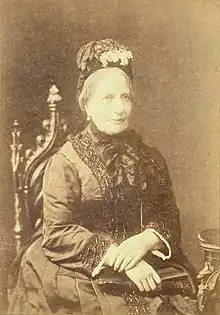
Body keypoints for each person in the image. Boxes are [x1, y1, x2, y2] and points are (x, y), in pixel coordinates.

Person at [8, 39, 199, 315]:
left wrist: (146, 240)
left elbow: (168, 215)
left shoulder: (150, 158)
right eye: (107, 98)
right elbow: (58, 232)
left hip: (145, 257)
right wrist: (121, 259)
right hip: (80, 268)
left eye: (125, 97)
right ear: (86, 105)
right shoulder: (65, 161)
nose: (119, 108)